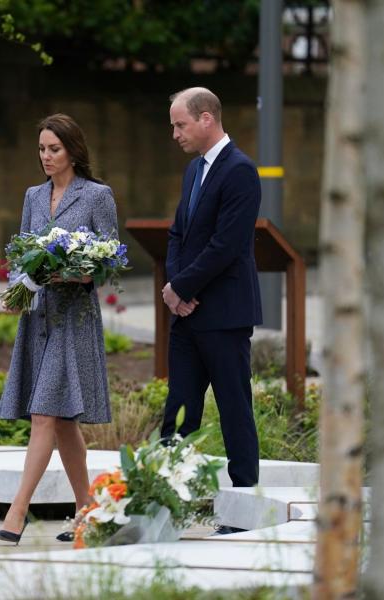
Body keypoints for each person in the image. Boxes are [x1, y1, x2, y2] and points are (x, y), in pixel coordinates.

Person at [0, 113, 117, 544]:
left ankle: (18, 510)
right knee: (64, 422)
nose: (46, 157)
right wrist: (17, 292)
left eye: (54, 149)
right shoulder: (33, 195)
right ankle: (89, 512)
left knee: (44, 412)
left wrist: (82, 272)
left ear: (73, 150)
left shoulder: (96, 195)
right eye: (42, 150)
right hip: (38, 316)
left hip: (75, 318)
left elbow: (110, 260)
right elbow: (24, 254)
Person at [160, 88, 262, 507]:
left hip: (223, 314)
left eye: (179, 124)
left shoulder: (240, 171)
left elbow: (226, 245)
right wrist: (174, 290)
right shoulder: (193, 171)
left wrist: (182, 287)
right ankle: (163, 500)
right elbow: (178, 234)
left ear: (206, 119)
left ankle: (244, 505)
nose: (174, 134)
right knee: (178, 413)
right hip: (187, 316)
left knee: (234, 410)